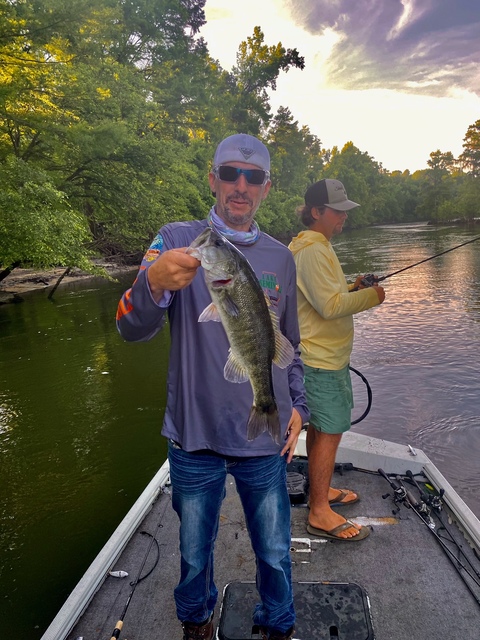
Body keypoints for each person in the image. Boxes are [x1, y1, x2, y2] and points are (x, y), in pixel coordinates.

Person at [116, 133, 309, 640]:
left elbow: (290, 344)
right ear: (213, 179)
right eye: (229, 174)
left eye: (252, 178)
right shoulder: (177, 239)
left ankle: (278, 625)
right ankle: (196, 624)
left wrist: (299, 407)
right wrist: (154, 281)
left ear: (266, 187)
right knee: (193, 552)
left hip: (264, 438)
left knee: (274, 550)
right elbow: (130, 327)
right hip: (194, 435)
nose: (240, 186)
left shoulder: (281, 258)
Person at [289, 179, 385, 541]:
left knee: (321, 429)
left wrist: (352, 287)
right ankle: (319, 512)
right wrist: (372, 296)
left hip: (323, 357)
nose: (343, 216)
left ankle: (320, 491)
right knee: (329, 431)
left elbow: (326, 294)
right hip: (321, 360)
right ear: (317, 212)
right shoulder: (313, 250)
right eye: (337, 210)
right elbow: (330, 307)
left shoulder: (313, 245)